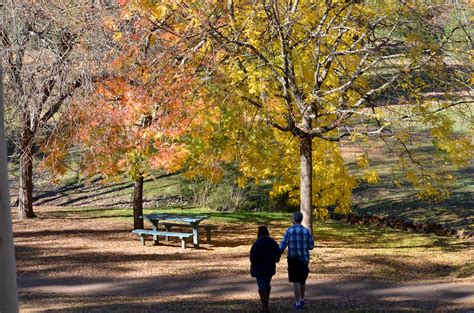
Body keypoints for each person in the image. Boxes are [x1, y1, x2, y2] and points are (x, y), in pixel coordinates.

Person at [279, 212, 314, 310]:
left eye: (292, 218)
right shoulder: (307, 231)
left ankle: (298, 303)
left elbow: (282, 245)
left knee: (296, 281)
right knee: (302, 280)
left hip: (293, 259)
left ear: (294, 219)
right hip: (304, 259)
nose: (291, 219)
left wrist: (277, 254)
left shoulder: (289, 231)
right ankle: (302, 299)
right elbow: (311, 246)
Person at [250, 226, 281, 313]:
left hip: (259, 268)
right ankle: (265, 304)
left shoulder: (257, 243)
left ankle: (265, 306)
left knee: (261, 285)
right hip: (270, 267)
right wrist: (275, 258)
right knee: (267, 284)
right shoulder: (272, 242)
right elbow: (278, 253)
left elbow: (252, 257)